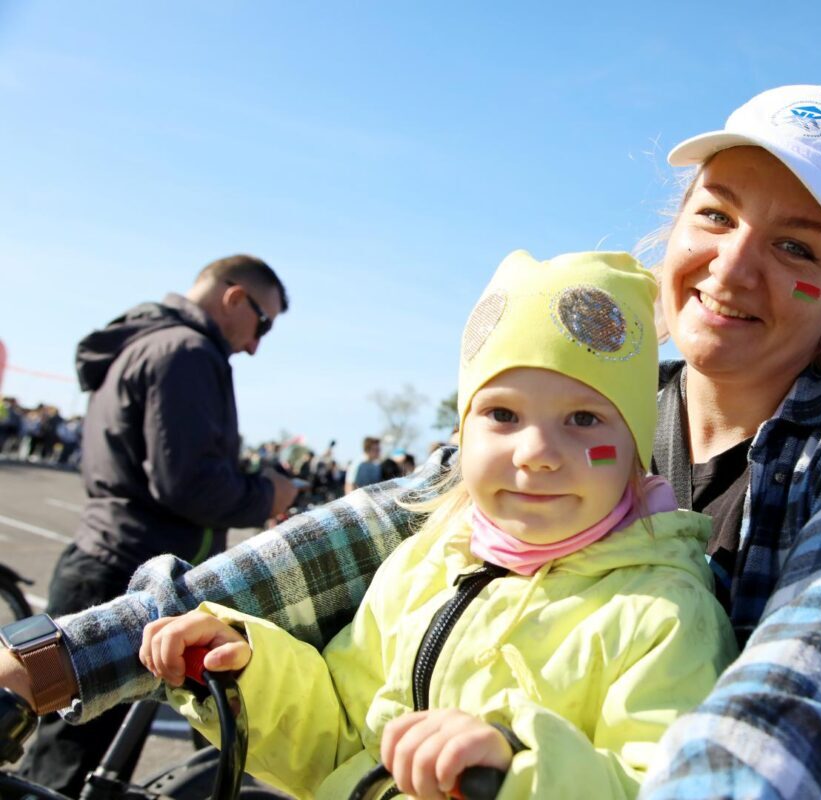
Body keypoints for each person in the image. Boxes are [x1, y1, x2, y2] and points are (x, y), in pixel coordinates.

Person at [0, 85, 821, 799]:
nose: (734, 265)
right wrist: (56, 660)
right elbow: (340, 545)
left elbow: (799, 708)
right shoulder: (591, 402)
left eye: (798, 246)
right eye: (713, 215)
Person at [141, 250, 737, 797]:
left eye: (583, 418)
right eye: (502, 414)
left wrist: (516, 776)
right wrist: (246, 670)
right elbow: (344, 735)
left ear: (634, 453)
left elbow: (658, 785)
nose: (536, 451)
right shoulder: (424, 564)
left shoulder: (664, 613)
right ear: (460, 436)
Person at [14, 254, 300, 796]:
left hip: (109, 556)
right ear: (235, 298)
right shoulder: (186, 352)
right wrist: (269, 494)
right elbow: (187, 483)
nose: (257, 344)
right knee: (65, 766)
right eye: (263, 323)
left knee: (68, 758)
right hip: (129, 574)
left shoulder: (152, 343)